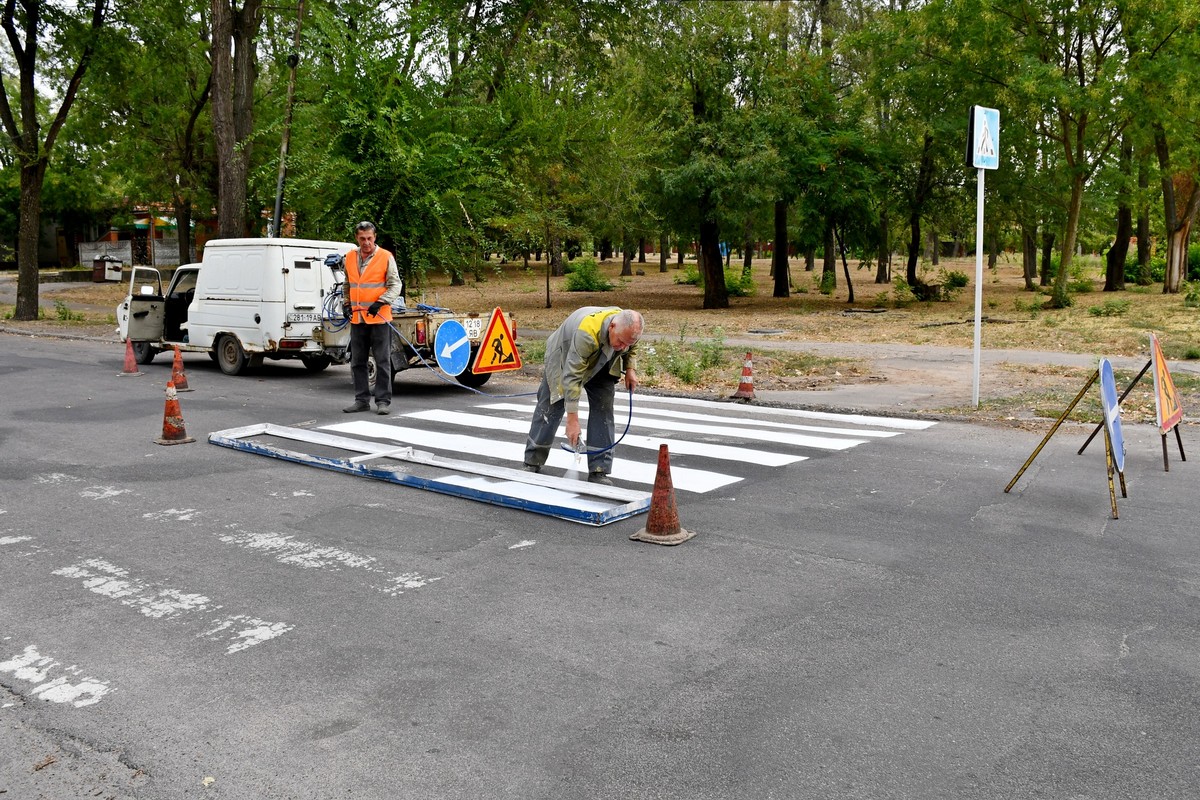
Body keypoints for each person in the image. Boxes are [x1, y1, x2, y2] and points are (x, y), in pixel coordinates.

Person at [523, 307, 644, 485]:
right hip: (565, 356)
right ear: (612, 326)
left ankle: (599, 469)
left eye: (627, 343)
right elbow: (572, 377)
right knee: (552, 404)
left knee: (604, 406)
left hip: (603, 357)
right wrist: (572, 420)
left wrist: (630, 369)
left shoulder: (628, 329)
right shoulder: (586, 332)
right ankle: (532, 460)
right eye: (620, 341)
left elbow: (631, 346)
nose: (623, 347)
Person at [342, 221, 403, 415]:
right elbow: (347, 284)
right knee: (357, 361)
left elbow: (395, 285)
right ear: (357, 238)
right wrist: (346, 304)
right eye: (362, 239)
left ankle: (383, 401)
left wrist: (382, 301)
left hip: (379, 318)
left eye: (369, 238)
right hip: (358, 319)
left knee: (382, 360)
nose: (366, 242)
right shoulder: (350, 257)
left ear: (374, 237)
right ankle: (361, 400)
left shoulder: (385, 257)